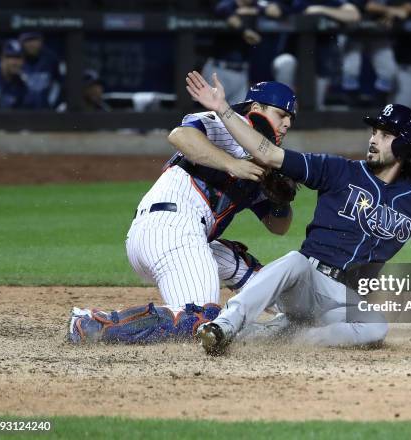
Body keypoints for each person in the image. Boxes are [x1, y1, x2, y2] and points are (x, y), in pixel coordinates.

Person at [185, 71, 411, 355]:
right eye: (374, 131)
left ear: (405, 144)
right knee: (294, 262)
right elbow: (268, 154)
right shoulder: (337, 170)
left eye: (385, 134)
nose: (373, 139)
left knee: (376, 327)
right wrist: (223, 108)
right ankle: (223, 327)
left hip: (344, 301)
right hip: (306, 282)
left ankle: (287, 340)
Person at [67, 81, 297, 344]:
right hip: (169, 228)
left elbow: (279, 227)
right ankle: (92, 325)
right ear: (256, 108)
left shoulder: (264, 163)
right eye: (282, 114)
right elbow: (180, 136)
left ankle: (296, 311)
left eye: (291, 118)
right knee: (199, 320)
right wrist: (232, 164)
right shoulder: (231, 125)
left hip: (181, 236)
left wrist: (279, 200)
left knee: (232, 261)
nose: (287, 123)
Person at [18, 32, 64, 110]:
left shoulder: (52, 59)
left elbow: (60, 84)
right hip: (20, 112)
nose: (31, 44)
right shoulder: (16, 60)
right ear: (21, 42)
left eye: (34, 40)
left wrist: (54, 105)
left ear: (41, 41)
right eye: (28, 40)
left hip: (47, 111)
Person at [0, 39, 28, 110]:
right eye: (11, 57)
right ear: (2, 58)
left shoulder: (22, 82)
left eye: (18, 58)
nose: (15, 62)